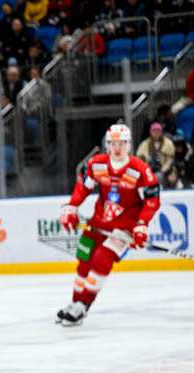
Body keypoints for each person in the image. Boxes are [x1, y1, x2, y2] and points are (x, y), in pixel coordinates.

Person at [56, 124, 160, 326]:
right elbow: (83, 187)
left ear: (128, 145)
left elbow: (151, 201)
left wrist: (141, 225)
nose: (117, 148)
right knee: (84, 262)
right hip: (98, 222)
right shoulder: (97, 164)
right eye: (113, 144)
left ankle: (83, 306)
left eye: (121, 144)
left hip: (124, 228)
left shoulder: (140, 170)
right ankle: (75, 303)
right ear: (107, 145)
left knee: (101, 260)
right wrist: (72, 207)